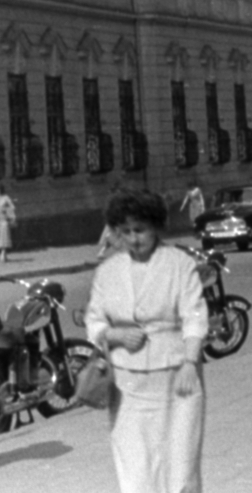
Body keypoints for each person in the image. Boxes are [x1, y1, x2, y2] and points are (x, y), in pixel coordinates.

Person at [84, 188, 208, 493]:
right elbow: (95, 319)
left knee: (180, 464)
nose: (134, 238)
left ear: (155, 227)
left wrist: (190, 362)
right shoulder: (107, 271)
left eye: (140, 230)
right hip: (127, 385)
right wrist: (113, 335)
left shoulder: (179, 264)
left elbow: (194, 316)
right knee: (135, 465)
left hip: (177, 378)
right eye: (125, 231)